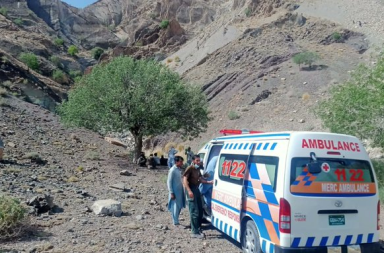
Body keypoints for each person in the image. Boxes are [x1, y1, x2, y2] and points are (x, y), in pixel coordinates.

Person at [183, 155, 213, 239]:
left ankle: (198, 228)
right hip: (191, 189)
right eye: (197, 160)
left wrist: (209, 182)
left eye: (199, 160)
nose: (198, 162)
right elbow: (184, 180)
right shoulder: (190, 168)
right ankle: (194, 232)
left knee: (200, 209)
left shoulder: (197, 169)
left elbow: (200, 179)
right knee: (194, 211)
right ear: (193, 161)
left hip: (196, 189)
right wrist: (189, 191)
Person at [167, 156, 186, 227]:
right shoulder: (172, 170)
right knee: (175, 206)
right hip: (174, 191)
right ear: (176, 162)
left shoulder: (179, 169)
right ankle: (175, 222)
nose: (182, 163)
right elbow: (169, 182)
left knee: (179, 206)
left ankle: (176, 220)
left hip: (180, 191)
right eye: (180, 161)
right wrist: (171, 192)